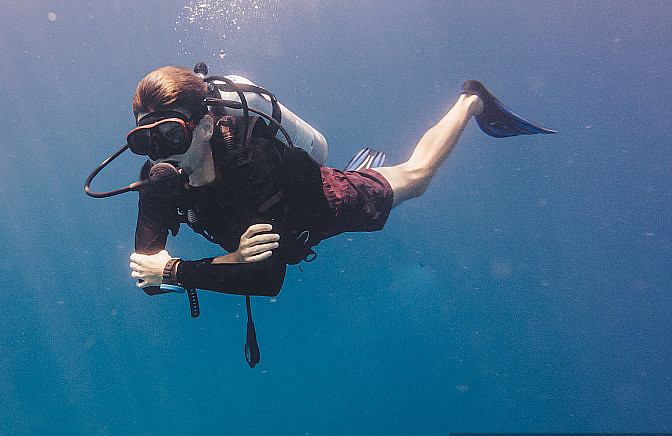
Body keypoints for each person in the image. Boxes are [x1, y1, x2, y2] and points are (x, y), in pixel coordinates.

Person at [127, 66, 554, 299]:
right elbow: (147, 279)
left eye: (170, 134)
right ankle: (361, 164)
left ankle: (472, 101)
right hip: (272, 233)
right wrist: (217, 265)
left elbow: (266, 279)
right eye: (144, 141)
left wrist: (175, 270)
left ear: (204, 126)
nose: (159, 153)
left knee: (417, 176)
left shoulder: (248, 164)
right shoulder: (158, 182)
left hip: (320, 204)